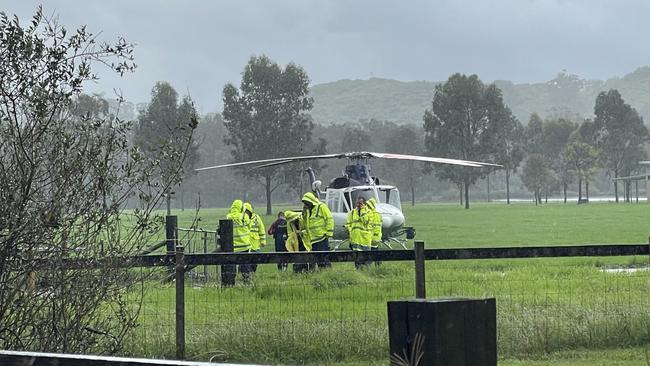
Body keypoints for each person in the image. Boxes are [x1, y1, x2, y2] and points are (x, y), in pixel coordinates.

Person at [301, 192, 334, 269]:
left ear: (310, 202)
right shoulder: (309, 211)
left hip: (321, 238)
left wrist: (329, 233)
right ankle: (321, 273)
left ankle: (327, 273)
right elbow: (307, 224)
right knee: (318, 259)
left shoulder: (321, 207)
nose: (305, 205)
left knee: (324, 259)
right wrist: (304, 214)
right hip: (313, 240)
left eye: (306, 203)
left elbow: (329, 219)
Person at [225, 199, 252, 282]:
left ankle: (230, 280)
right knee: (245, 264)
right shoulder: (244, 217)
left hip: (232, 246)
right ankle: (246, 279)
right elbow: (249, 227)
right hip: (244, 245)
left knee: (231, 264)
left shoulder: (228, 217)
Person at [346, 196, 372, 269]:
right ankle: (359, 271)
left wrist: (363, 210)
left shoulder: (369, 212)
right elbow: (348, 223)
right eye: (357, 203)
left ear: (364, 203)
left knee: (366, 258)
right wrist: (350, 231)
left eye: (360, 203)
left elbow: (366, 221)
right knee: (357, 259)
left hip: (365, 239)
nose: (358, 205)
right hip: (355, 239)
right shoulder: (352, 212)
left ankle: (367, 272)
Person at [244, 202, 266, 273]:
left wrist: (263, 241)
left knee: (255, 262)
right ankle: (247, 274)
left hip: (255, 244)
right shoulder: (241, 218)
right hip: (246, 244)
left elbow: (261, 229)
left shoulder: (256, 218)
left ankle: (252, 273)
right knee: (245, 262)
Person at [366, 198, 383, 265]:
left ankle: (370, 264)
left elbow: (371, 226)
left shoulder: (371, 214)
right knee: (375, 249)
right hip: (377, 236)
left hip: (372, 236)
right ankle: (378, 263)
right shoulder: (378, 214)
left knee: (370, 251)